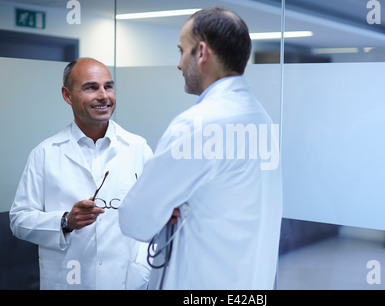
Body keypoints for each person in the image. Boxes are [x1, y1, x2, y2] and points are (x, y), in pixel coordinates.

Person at [119, 7, 283, 289]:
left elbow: (134, 220)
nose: (179, 64)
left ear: (202, 52)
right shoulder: (261, 118)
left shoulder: (198, 124)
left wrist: (161, 208)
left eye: (182, 50)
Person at [9, 57, 153, 290]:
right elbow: (19, 220)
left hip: (126, 280)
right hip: (67, 281)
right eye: (91, 87)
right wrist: (66, 221)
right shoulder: (45, 154)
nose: (103, 96)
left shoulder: (138, 148)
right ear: (67, 95)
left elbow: (154, 216)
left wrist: (142, 266)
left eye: (108, 86)